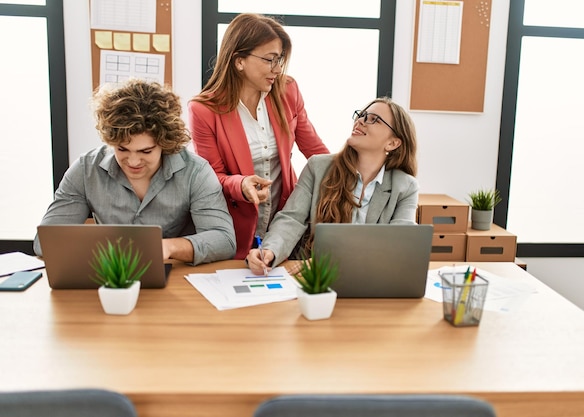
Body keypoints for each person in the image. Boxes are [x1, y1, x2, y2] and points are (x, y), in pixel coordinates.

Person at [33, 79, 236, 265]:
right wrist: (106, 249)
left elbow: (224, 240)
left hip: (175, 281)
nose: (133, 161)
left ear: (164, 144)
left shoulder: (196, 171)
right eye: (122, 149)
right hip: (109, 278)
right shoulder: (86, 170)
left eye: (145, 151)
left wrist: (168, 247)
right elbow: (44, 242)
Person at [188, 13, 330, 259]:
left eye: (280, 60)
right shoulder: (203, 110)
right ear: (239, 60)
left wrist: (356, 173)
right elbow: (211, 178)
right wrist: (241, 184)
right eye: (269, 60)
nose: (277, 69)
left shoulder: (288, 91)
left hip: (283, 223)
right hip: (232, 228)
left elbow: (316, 152)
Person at [246, 97, 419, 275]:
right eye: (361, 115)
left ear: (392, 143)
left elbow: (400, 246)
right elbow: (291, 219)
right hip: (315, 281)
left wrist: (331, 261)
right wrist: (270, 250)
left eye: (373, 119)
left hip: (371, 277)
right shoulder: (318, 167)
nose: (360, 121)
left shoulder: (405, 187)